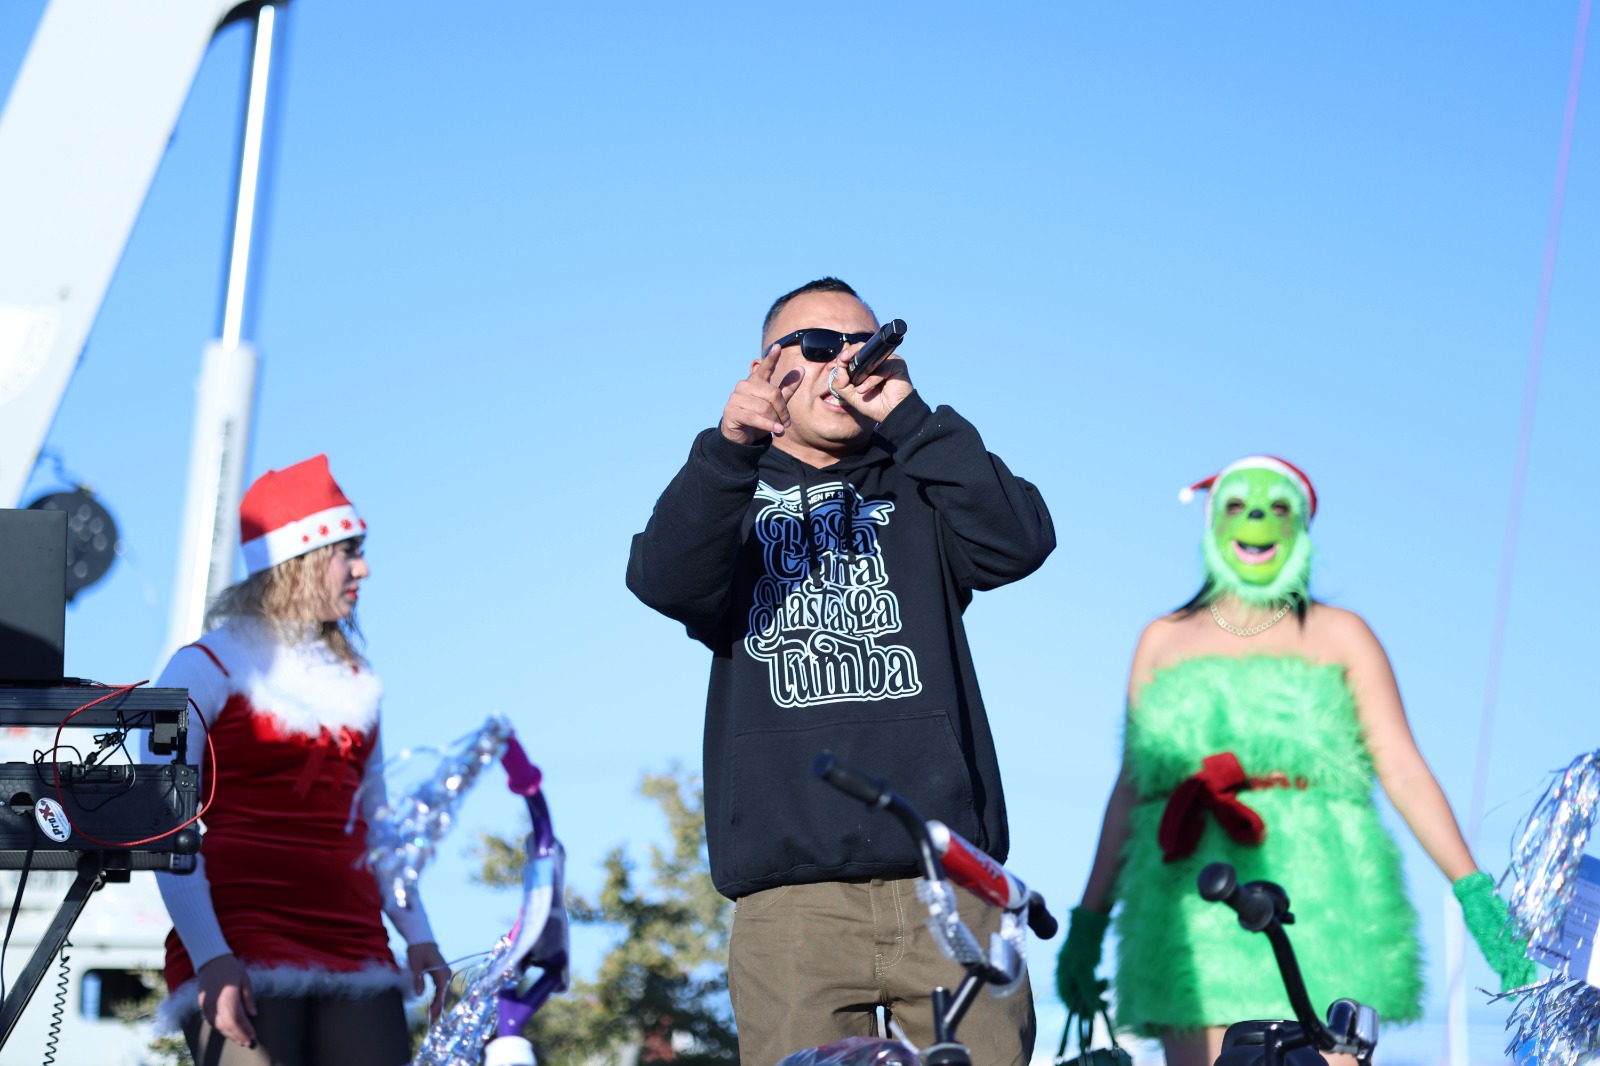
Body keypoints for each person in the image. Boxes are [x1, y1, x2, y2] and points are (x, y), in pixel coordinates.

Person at [627, 278, 1056, 1066]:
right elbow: (665, 579)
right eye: (820, 345)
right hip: (793, 906)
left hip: (950, 888)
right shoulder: (730, 490)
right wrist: (728, 448)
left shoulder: (920, 476)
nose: (845, 364)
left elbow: (1019, 542)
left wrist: (912, 418)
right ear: (766, 368)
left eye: (867, 346)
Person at [1055, 455, 1536, 1066]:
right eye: (1238, 505)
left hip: (1325, 902)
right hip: (1188, 903)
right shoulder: (1163, 639)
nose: (1256, 519)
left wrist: (1475, 894)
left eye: (1277, 507)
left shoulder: (1342, 635)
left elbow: (1402, 769)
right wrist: (1088, 924)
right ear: (1212, 521)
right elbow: (1132, 788)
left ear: (1301, 526)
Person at [146, 455, 449, 1066]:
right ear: (301, 560)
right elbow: (162, 820)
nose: (363, 568)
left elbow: (377, 829)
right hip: (240, 934)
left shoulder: (358, 682)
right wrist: (210, 955)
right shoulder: (202, 666)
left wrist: (419, 935)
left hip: (356, 942)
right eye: (348, 551)